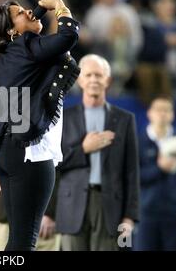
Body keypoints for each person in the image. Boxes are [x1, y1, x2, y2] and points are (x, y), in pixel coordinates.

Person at [0, 0, 80, 250]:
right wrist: (59, 6)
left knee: (17, 238)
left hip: (6, 152)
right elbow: (68, 37)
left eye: (26, 8)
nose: (29, 11)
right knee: (24, 241)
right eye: (19, 13)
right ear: (12, 31)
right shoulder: (25, 44)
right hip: (28, 153)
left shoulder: (8, 57)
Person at [54, 54, 140, 251]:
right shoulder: (63, 118)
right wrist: (84, 149)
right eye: (89, 75)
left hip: (109, 207)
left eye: (99, 75)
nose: (94, 79)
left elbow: (131, 172)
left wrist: (129, 216)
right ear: (80, 80)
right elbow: (54, 163)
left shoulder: (125, 120)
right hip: (71, 205)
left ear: (108, 80)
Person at [134, 96, 176, 251]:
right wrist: (159, 168)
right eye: (158, 109)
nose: (162, 114)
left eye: (166, 110)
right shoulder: (138, 140)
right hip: (145, 214)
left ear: (173, 114)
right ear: (149, 113)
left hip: (175, 214)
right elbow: (132, 177)